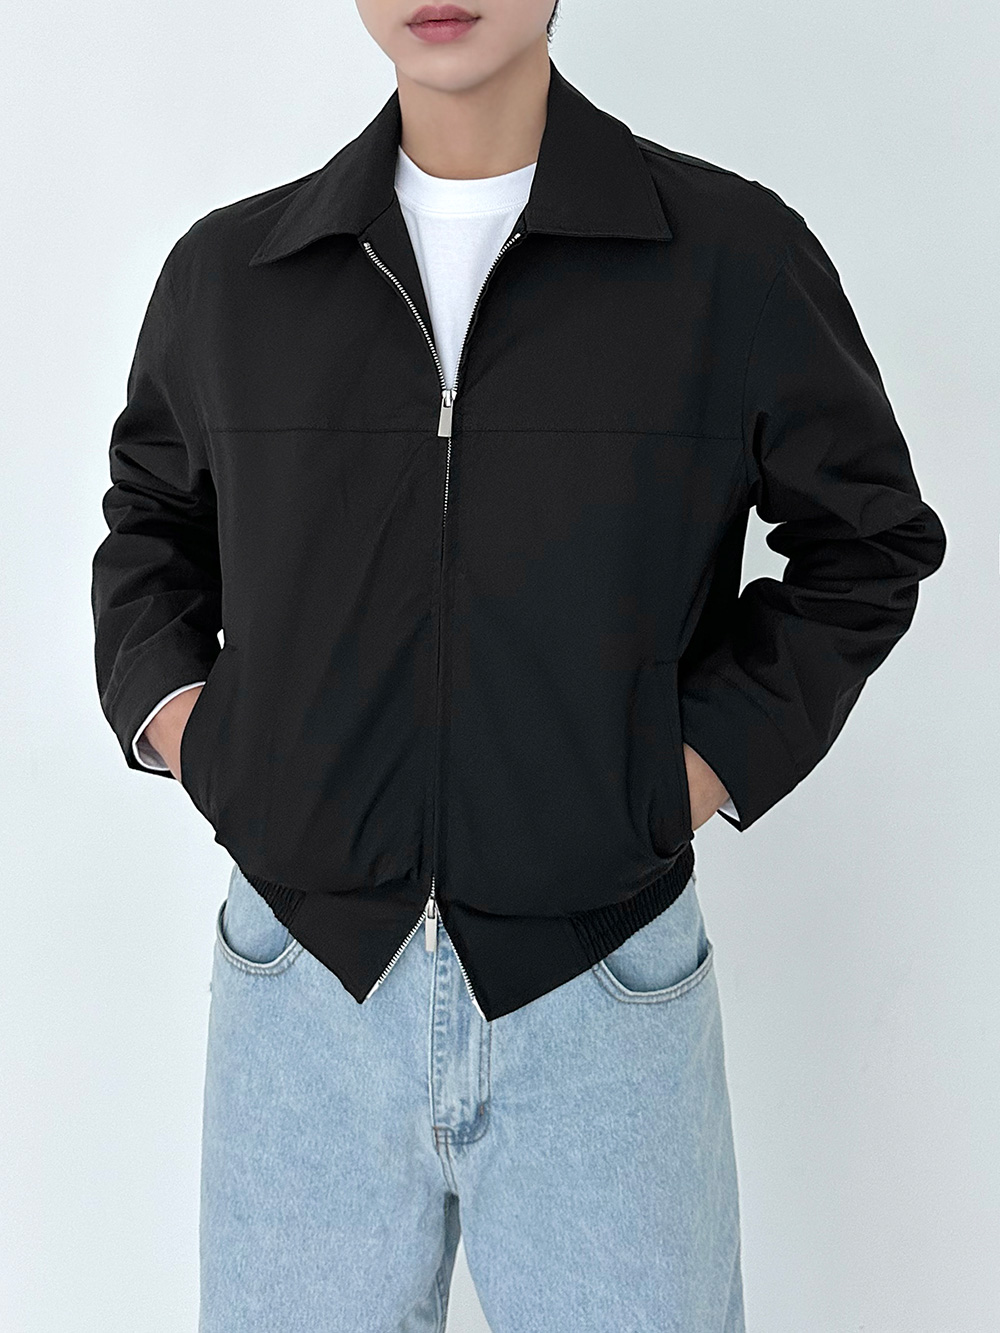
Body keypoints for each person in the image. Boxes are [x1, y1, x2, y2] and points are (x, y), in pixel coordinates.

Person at [90, 2, 946, 1329]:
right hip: (302, 986)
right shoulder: (234, 276)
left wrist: (684, 772)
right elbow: (149, 527)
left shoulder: (729, 258)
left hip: (602, 983)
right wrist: (204, 739)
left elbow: (867, 543)